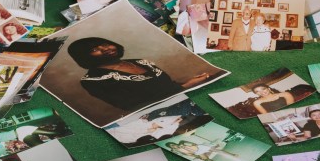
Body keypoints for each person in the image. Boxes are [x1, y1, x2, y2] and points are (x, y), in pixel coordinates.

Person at [67, 37, 213, 112]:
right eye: (94, 50)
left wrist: (188, 82)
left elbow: (166, 85)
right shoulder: (93, 80)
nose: (105, 49)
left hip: (184, 99)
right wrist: (186, 86)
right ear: (84, 57)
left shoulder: (140, 61)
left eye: (105, 44)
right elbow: (133, 105)